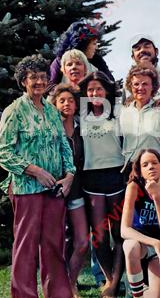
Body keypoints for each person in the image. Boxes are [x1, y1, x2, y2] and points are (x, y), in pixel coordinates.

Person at [0, 55, 76, 298]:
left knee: (54, 243)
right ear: (24, 81)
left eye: (43, 77)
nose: (39, 82)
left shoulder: (52, 112)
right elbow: (4, 153)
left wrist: (69, 175)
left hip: (54, 189)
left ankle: (59, 293)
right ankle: (23, 294)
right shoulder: (14, 111)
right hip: (25, 189)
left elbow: (64, 145)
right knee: (26, 245)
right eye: (34, 77)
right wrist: (35, 170)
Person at [78, 71, 125, 298]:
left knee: (119, 233)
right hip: (92, 180)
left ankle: (115, 283)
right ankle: (109, 279)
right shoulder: (81, 116)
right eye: (90, 90)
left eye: (98, 89)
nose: (95, 93)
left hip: (116, 176)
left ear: (106, 90)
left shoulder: (118, 113)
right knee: (98, 235)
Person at [121, 148, 160, 298]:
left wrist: (157, 196)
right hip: (141, 242)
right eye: (145, 164)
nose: (151, 167)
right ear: (140, 171)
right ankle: (137, 295)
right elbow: (124, 229)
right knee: (129, 247)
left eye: (155, 163)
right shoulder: (134, 187)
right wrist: (154, 243)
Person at [51, 84, 89, 298]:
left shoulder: (82, 128)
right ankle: (58, 286)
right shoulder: (50, 129)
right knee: (57, 241)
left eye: (71, 100)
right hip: (53, 191)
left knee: (82, 241)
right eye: (62, 100)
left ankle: (71, 283)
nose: (67, 104)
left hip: (76, 190)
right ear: (55, 104)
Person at [120, 65, 160, 169]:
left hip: (153, 168)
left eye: (145, 84)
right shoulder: (123, 112)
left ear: (153, 86)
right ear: (130, 87)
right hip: (129, 168)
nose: (140, 88)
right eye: (136, 84)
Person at [50, 20, 114, 85]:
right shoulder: (59, 61)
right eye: (94, 44)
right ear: (84, 45)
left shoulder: (97, 60)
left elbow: (111, 83)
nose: (96, 47)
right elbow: (50, 87)